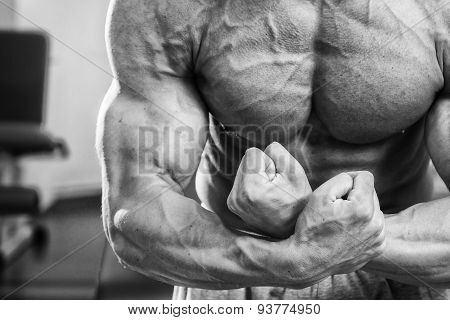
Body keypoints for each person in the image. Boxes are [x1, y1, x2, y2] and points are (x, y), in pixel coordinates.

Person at [96, 0, 450, 299]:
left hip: (406, 273)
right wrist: (287, 259)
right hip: (231, 271)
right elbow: (133, 210)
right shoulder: (167, 8)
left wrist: (329, 244)